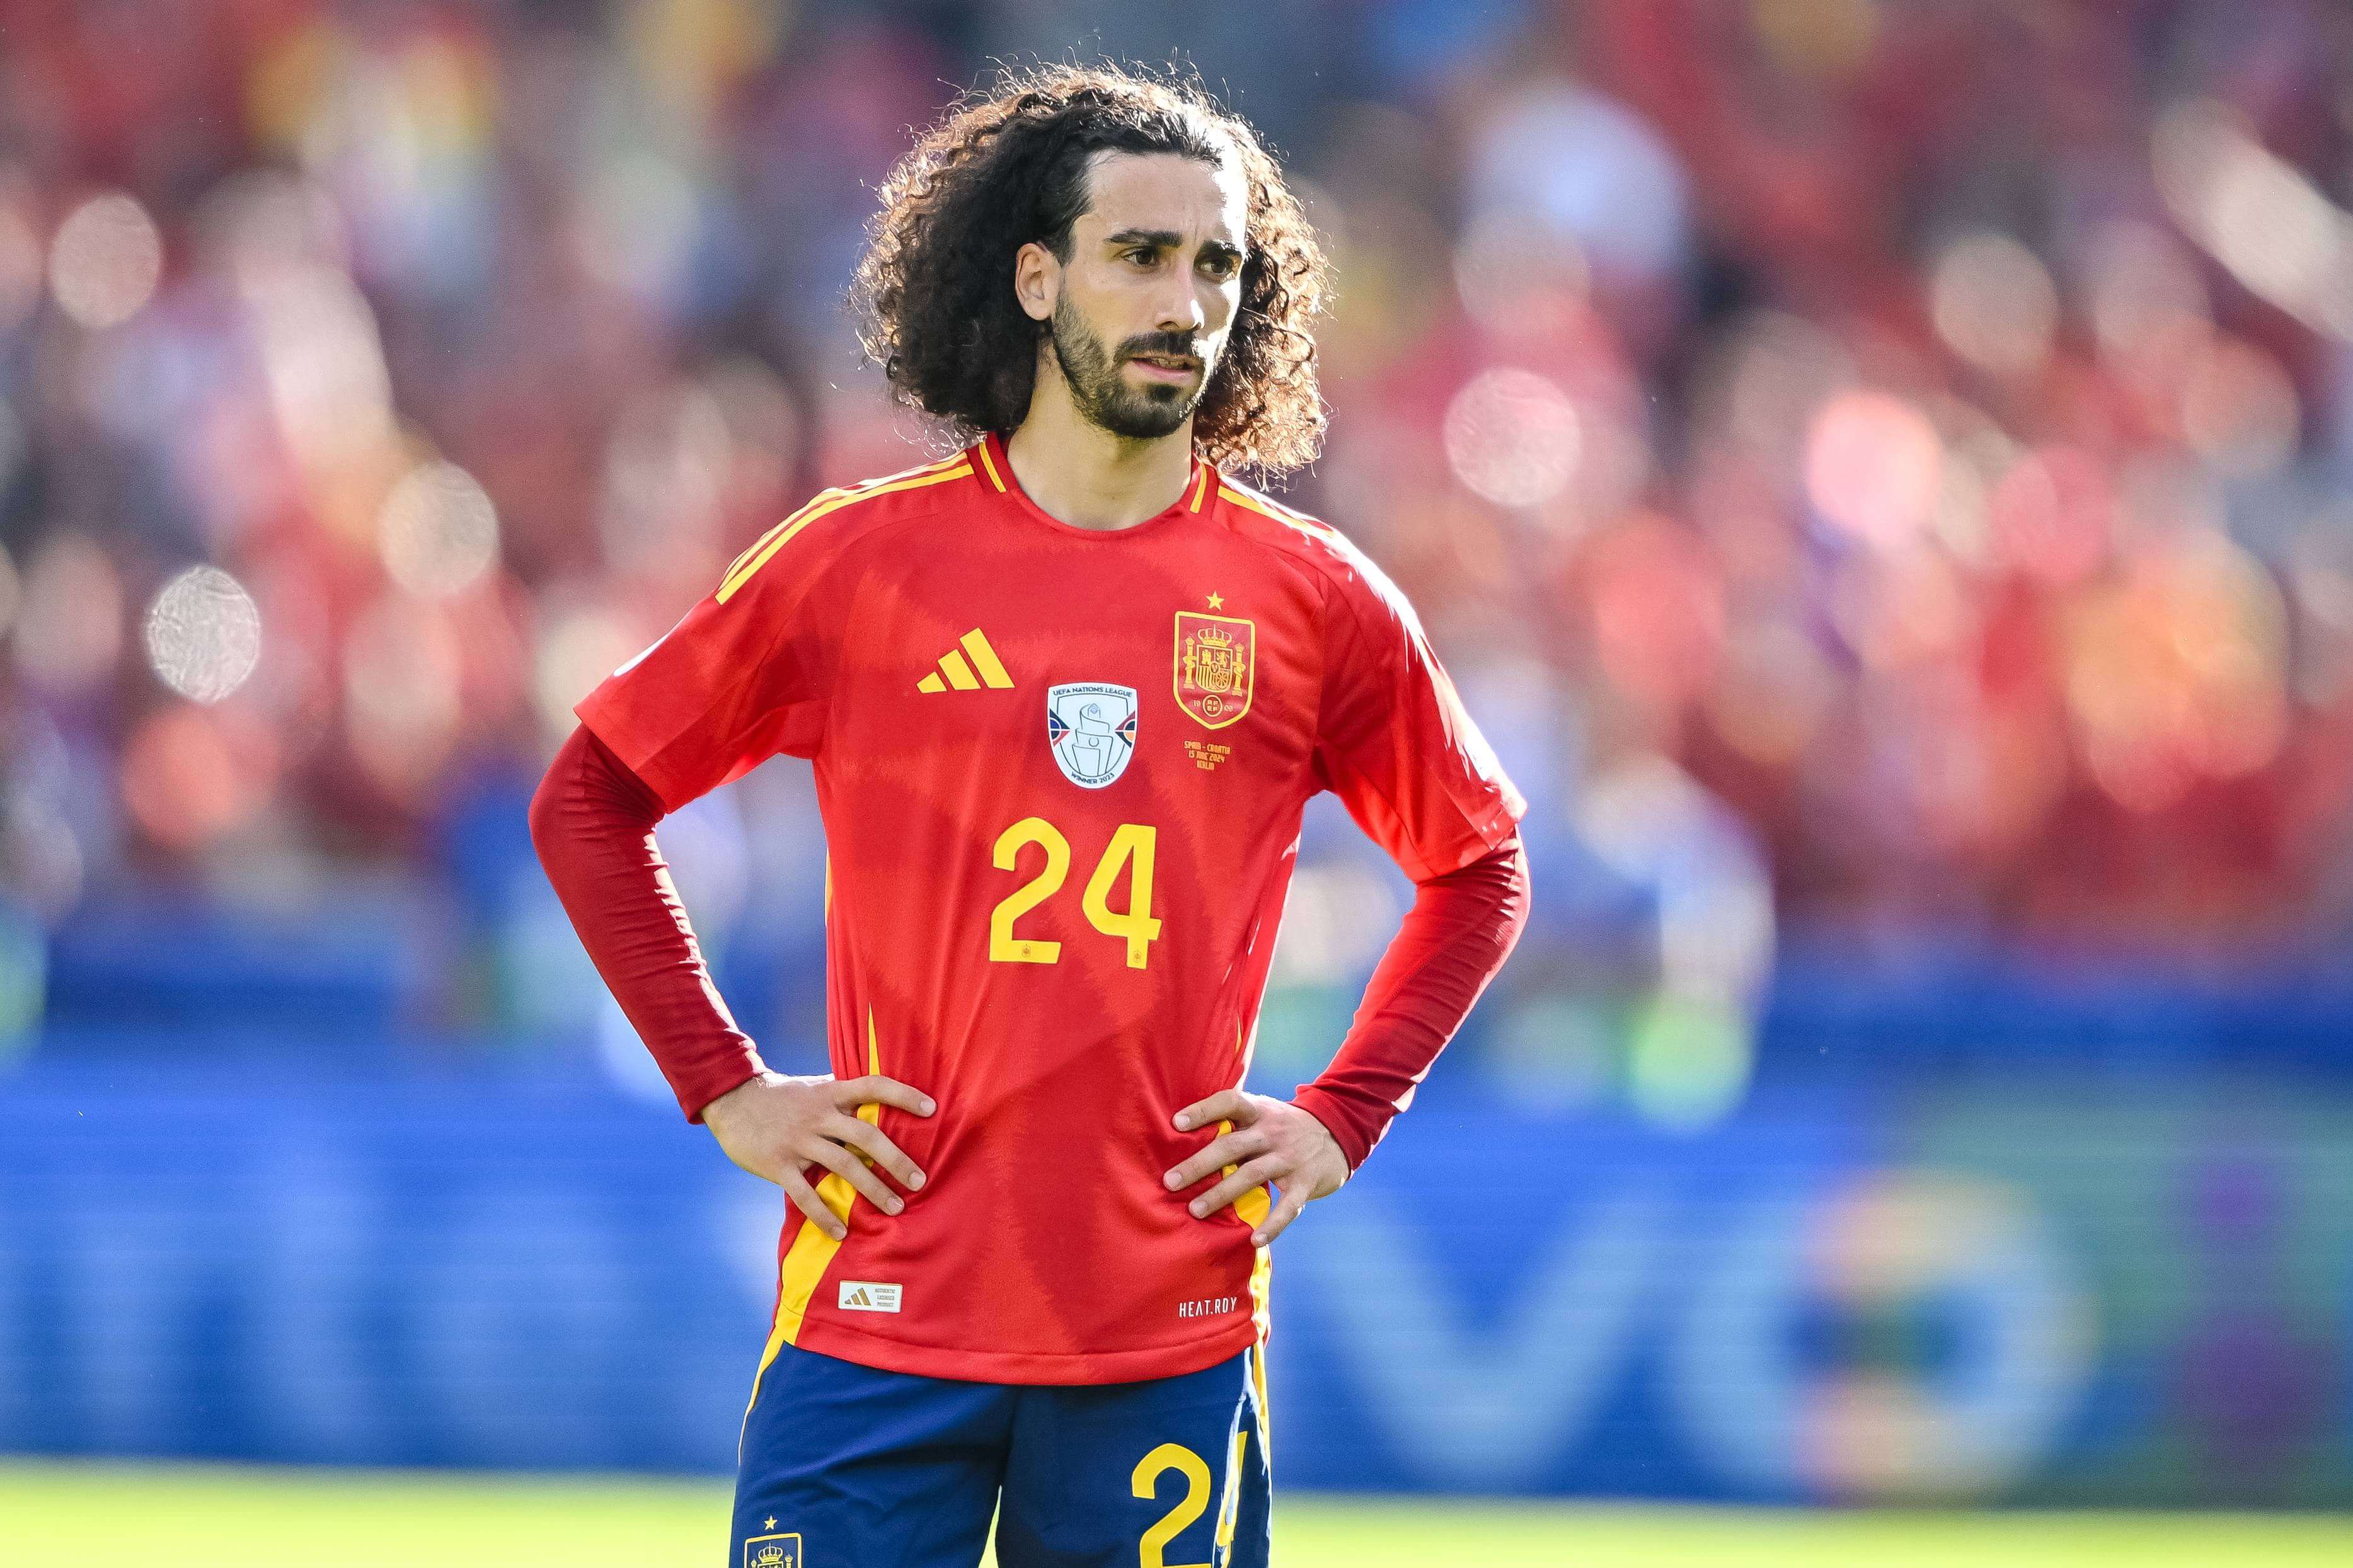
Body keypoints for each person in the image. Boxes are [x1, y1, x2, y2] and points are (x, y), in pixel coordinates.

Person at [531, 62, 1530, 1568]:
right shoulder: (860, 565)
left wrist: (1345, 1116)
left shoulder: (1312, 599)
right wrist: (726, 1088)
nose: (1185, 301)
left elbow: (1481, 861)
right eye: (1141, 255)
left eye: (1218, 264)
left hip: (1165, 1335)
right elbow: (590, 798)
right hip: (875, 1322)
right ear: (1034, 273)